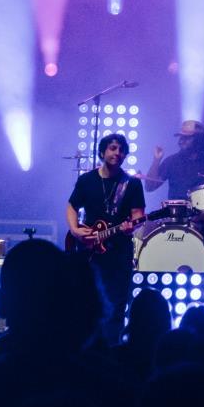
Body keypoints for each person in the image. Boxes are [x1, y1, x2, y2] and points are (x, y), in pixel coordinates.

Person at [68, 132, 147, 343]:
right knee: (86, 299)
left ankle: (112, 348)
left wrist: (132, 226)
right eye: (113, 148)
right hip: (89, 250)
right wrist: (75, 230)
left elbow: (138, 215)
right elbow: (71, 206)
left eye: (121, 150)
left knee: (117, 302)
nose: (117, 153)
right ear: (102, 152)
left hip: (119, 250)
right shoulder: (87, 180)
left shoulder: (132, 184)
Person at [146, 119, 204, 197]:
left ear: (198, 139)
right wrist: (156, 160)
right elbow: (149, 187)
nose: (181, 141)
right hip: (176, 210)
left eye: (186, 138)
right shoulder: (171, 161)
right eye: (180, 137)